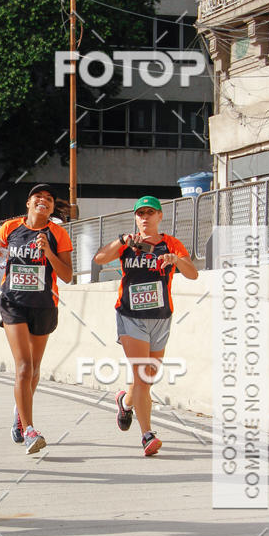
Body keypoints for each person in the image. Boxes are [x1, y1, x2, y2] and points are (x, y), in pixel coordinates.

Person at [94, 194, 198, 456]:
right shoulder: (127, 244)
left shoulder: (171, 244)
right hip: (130, 316)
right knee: (142, 374)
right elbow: (99, 259)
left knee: (147, 379)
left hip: (161, 317)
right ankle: (147, 435)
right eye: (141, 213)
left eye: (150, 213)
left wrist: (176, 260)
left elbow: (192, 273)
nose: (145, 217)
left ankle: (125, 401)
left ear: (160, 216)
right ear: (135, 218)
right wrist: (121, 241)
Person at [0, 183, 73, 454]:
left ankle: (19, 414)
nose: (43, 201)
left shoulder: (58, 234)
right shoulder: (10, 228)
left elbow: (68, 275)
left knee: (34, 370)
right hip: (14, 303)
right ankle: (30, 429)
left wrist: (48, 252)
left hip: (44, 304)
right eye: (38, 197)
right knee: (23, 366)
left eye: (48, 199)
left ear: (51, 207)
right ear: (28, 203)